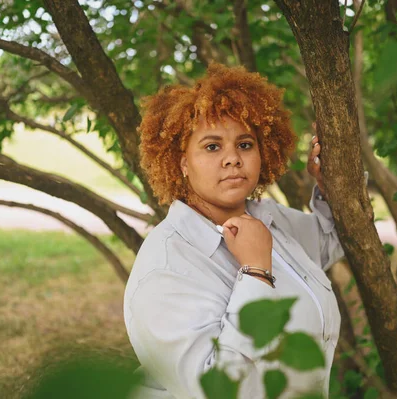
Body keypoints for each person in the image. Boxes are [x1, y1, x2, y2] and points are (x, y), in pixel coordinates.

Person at [123, 63, 345, 399]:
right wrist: (256, 273)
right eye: (212, 147)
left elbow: (328, 242)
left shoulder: (267, 219)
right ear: (182, 163)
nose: (232, 159)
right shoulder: (163, 268)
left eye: (244, 144)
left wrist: (331, 185)